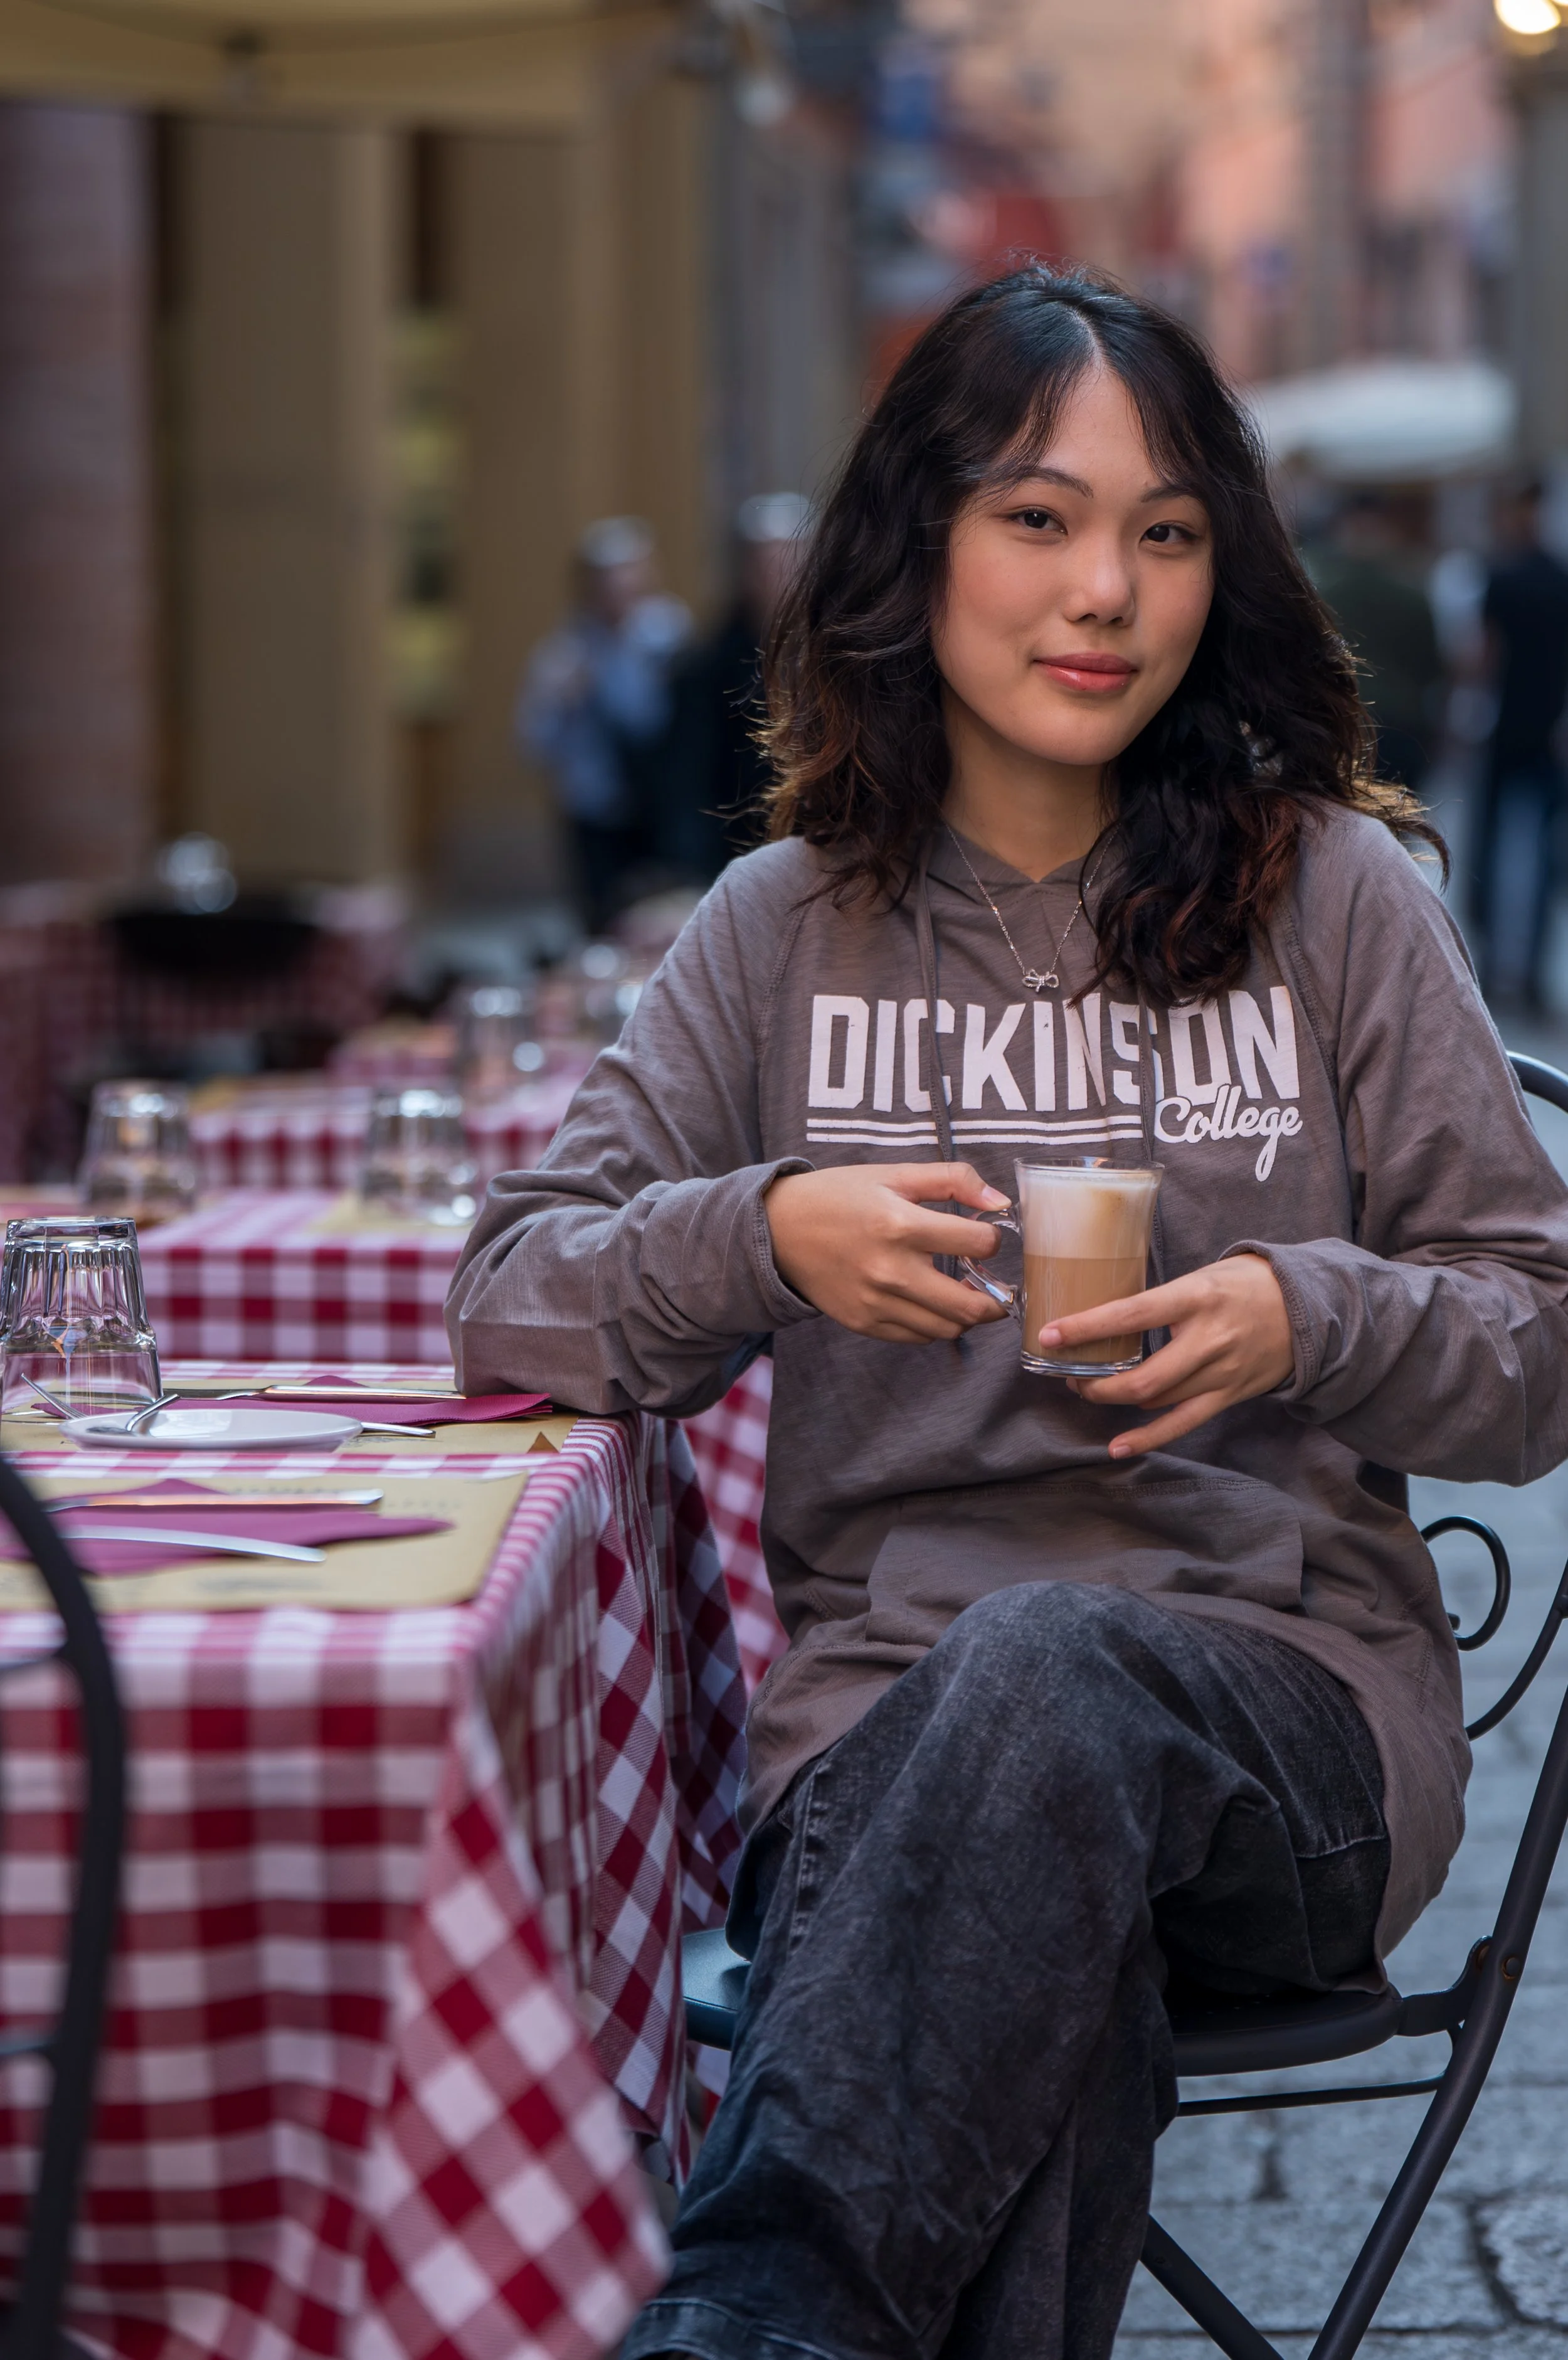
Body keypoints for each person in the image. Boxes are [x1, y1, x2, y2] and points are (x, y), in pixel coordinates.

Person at [449, 267, 1568, 2360]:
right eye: (1038, 517)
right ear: (918, 543)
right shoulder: (780, 928)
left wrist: (1306, 1314)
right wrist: (765, 1236)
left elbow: (1539, 1344)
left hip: (1288, 1728)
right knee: (1041, 1946)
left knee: (1045, 1673)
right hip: (883, 1758)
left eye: (1166, 531)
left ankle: (746, 2315)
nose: (1107, 591)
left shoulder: (1337, 897)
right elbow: (512, 1290)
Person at [516, 516, 691, 930]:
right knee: (600, 918)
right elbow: (532, 741)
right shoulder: (562, 654)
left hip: (660, 806)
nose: (617, 590)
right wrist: (563, 703)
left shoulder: (669, 637)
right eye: (606, 580)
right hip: (595, 808)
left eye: (627, 575)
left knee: (663, 916)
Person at [657, 492, 813, 880]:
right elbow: (689, 781)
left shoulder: (843, 656)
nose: (780, 579)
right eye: (767, 566)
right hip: (737, 857)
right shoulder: (707, 668)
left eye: (791, 563)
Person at [1473, 475, 1568, 1009]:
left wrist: (1464, 717)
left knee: (1491, 846)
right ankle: (1527, 971)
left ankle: (1492, 964)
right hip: (1546, 730)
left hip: (1507, 729)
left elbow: (1483, 656)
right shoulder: (1557, 577)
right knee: (1542, 855)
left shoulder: (1503, 576)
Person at [1303, 490, 1445, 793]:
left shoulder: (1322, 598)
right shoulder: (1412, 596)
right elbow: (1432, 669)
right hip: (1403, 725)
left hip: (1342, 725)